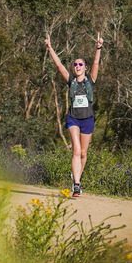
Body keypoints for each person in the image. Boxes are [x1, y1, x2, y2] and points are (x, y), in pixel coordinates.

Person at [45, 33, 103, 197]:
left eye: (80, 64)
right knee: (76, 151)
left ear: (85, 67)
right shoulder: (70, 80)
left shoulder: (90, 80)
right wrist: (50, 48)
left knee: (84, 153)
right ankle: (76, 185)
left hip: (88, 120)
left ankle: (76, 178)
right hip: (73, 119)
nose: (77, 66)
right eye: (75, 64)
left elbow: (97, 62)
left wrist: (98, 48)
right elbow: (58, 65)